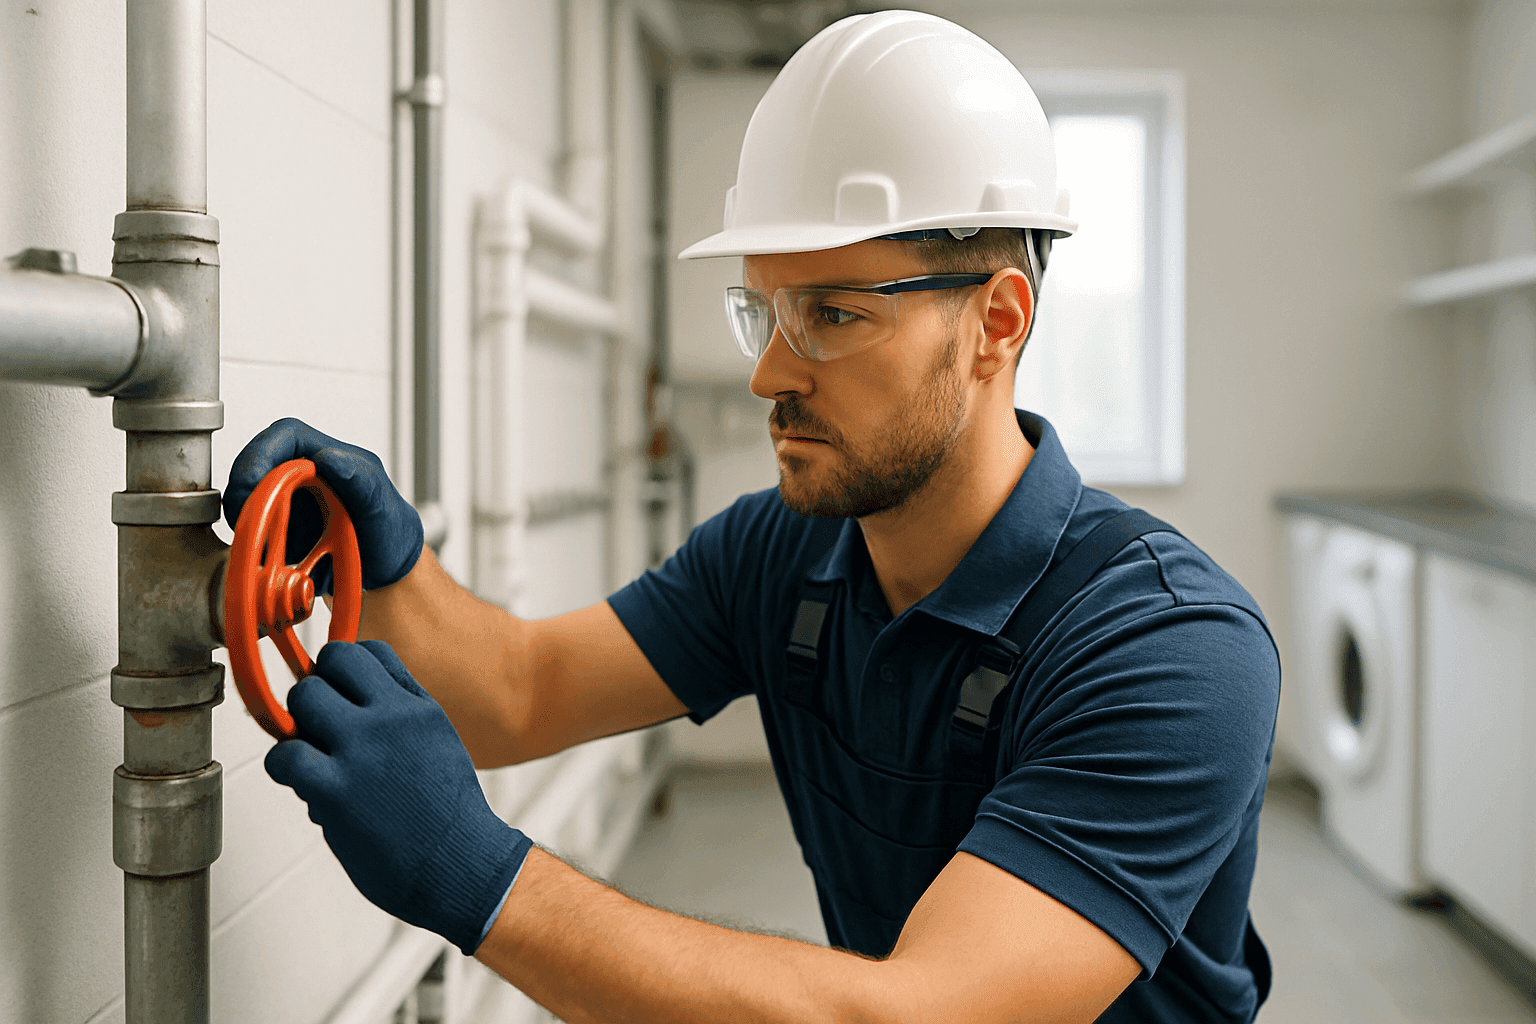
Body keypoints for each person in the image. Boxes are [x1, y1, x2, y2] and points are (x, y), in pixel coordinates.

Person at [227, 11, 1280, 1023]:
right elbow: (520, 690)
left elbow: (925, 1013)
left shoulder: (1170, 647)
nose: (770, 373)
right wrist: (387, 566)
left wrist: (480, 877)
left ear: (995, 324)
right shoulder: (782, 551)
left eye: (834, 314)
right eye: (763, 311)